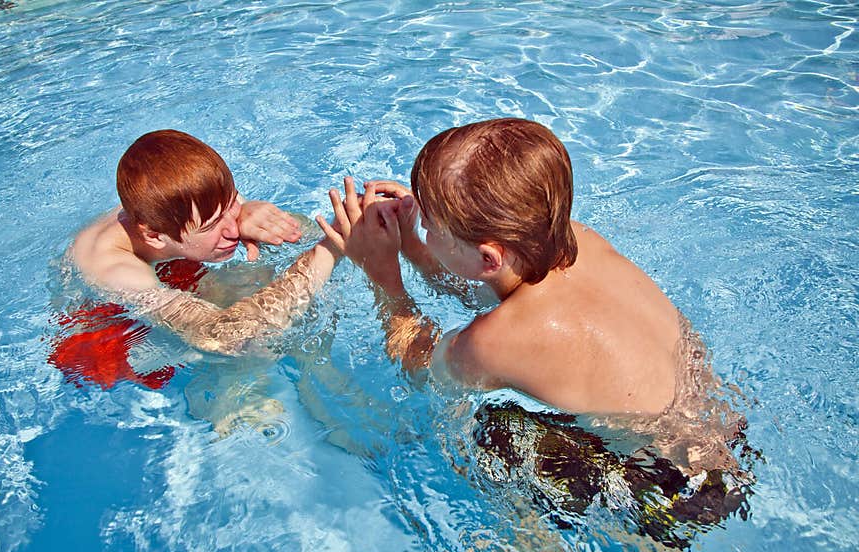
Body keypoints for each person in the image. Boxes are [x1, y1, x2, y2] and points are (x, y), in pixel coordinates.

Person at [317, 118, 747, 477]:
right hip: (725, 435)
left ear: (489, 256)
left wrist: (382, 275)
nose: (423, 226)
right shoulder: (578, 240)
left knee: (491, 434)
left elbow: (421, 368)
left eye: (430, 225)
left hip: (663, 486)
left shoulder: (491, 344)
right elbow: (493, 290)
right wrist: (413, 242)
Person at [69, 129, 342, 355]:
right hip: (108, 332)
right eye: (213, 226)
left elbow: (306, 233)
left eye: (232, 205)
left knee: (256, 281)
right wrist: (329, 251)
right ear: (154, 235)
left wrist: (253, 212)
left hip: (170, 260)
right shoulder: (116, 271)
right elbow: (225, 338)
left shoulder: (196, 200)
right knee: (256, 354)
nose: (233, 231)